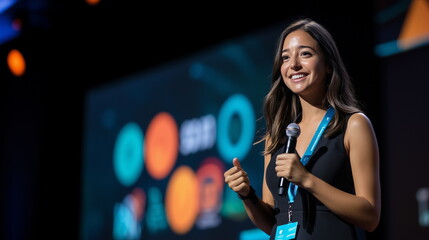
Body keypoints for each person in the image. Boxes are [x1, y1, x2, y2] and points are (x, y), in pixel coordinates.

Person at [224, 18, 381, 240]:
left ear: (328, 64)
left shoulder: (353, 124)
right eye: (286, 57)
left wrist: (307, 180)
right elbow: (272, 223)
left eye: (305, 54)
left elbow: (370, 215)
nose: (294, 64)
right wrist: (247, 195)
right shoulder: (276, 137)